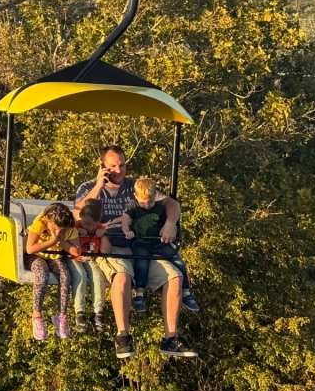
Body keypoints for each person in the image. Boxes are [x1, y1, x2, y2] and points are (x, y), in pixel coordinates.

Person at [75, 145, 198, 358]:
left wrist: (170, 223)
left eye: (122, 164)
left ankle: (170, 338)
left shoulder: (136, 187)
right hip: (111, 246)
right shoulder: (88, 188)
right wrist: (98, 185)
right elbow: (78, 215)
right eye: (112, 165)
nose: (118, 169)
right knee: (122, 276)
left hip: (142, 247)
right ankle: (123, 336)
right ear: (102, 165)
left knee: (175, 276)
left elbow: (171, 203)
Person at [121, 177, 198, 314]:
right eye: (143, 203)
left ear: (155, 196)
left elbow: (169, 220)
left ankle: (186, 292)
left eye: (150, 202)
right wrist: (127, 230)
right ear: (136, 197)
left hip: (159, 243)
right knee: (142, 263)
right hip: (141, 244)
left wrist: (170, 227)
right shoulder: (133, 205)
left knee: (178, 262)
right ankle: (139, 294)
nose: (146, 205)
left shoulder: (160, 208)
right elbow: (125, 218)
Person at [24, 203, 78, 340]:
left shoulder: (69, 227)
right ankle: (37, 316)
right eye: (54, 227)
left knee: (66, 276)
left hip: (54, 256)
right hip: (36, 255)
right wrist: (53, 240)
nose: (57, 230)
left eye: (61, 229)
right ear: (48, 221)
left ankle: (61, 316)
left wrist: (60, 241)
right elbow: (30, 248)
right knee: (42, 275)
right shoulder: (41, 221)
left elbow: (76, 251)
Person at [65, 198, 111, 333]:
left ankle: (98, 313)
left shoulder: (100, 229)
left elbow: (106, 252)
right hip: (74, 258)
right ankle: (80, 313)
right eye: (87, 223)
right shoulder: (74, 227)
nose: (90, 228)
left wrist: (103, 236)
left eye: (94, 225)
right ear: (81, 216)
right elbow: (64, 241)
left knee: (98, 277)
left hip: (91, 259)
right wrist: (75, 234)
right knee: (81, 276)